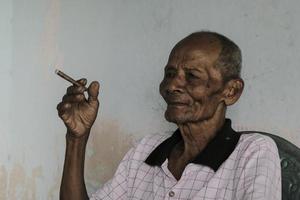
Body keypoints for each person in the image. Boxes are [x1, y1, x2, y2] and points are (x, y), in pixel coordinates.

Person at [57, 31, 281, 200]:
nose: (172, 85)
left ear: (230, 91)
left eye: (192, 76)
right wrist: (76, 138)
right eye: (170, 73)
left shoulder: (253, 152)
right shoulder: (146, 150)